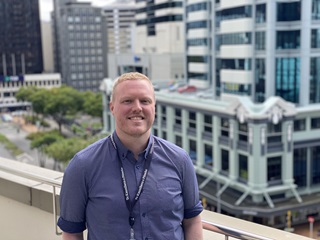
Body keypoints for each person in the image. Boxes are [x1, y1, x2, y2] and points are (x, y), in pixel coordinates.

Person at [58, 72, 204, 240]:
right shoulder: (82, 166)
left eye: (145, 101)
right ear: (112, 107)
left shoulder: (180, 160)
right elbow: (71, 232)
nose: (137, 107)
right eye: (127, 101)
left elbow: (192, 220)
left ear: (154, 107)